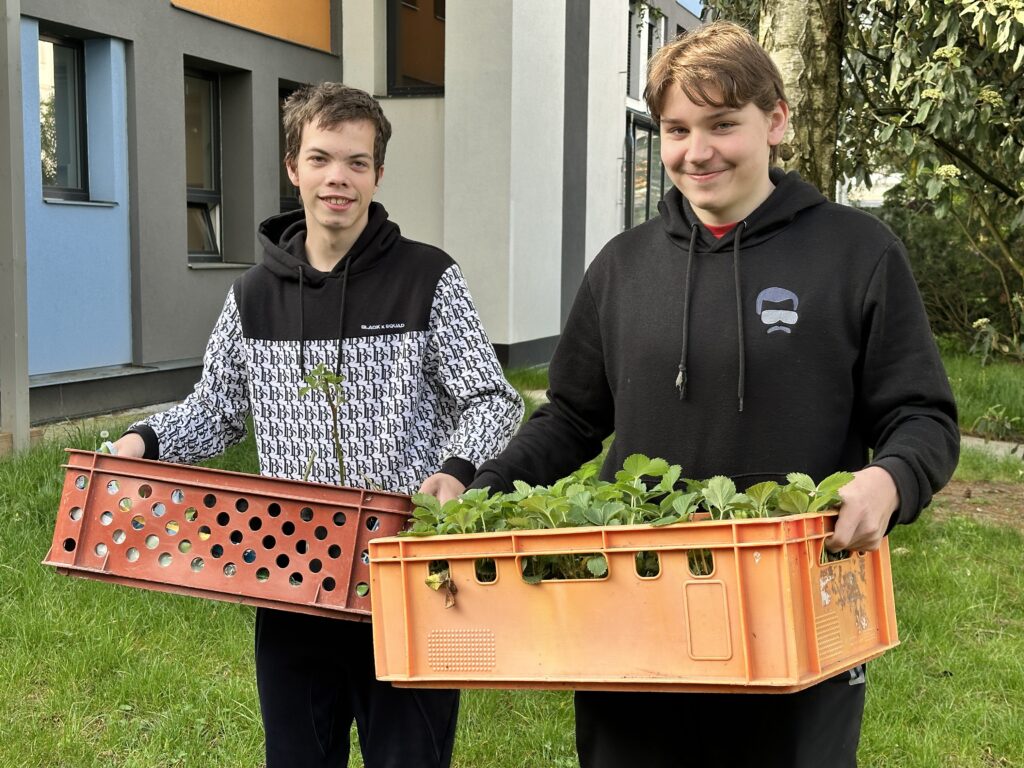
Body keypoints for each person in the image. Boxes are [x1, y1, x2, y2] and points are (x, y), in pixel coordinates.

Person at [469, 21, 958, 768]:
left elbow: (921, 415)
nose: (697, 152)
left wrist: (890, 481)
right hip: (634, 603)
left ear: (776, 121)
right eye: (677, 129)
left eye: (723, 124)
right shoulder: (622, 267)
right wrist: (481, 490)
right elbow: (571, 416)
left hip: (796, 601)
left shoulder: (858, 253)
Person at [113, 82, 523, 768]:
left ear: (378, 174)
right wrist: (145, 440)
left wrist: (455, 471)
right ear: (293, 168)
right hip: (290, 571)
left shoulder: (428, 277)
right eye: (322, 158)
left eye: (357, 162)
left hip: (405, 568)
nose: (339, 177)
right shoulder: (252, 296)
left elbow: (491, 400)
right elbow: (215, 411)